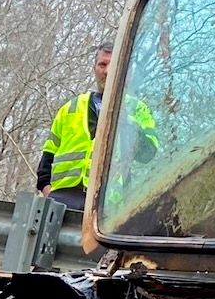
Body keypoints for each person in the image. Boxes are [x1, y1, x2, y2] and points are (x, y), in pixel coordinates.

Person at [37, 43, 154, 205]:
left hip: (107, 205)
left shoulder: (138, 110)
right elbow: (47, 158)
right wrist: (48, 192)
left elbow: (149, 154)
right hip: (63, 200)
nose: (107, 71)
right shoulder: (70, 108)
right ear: (94, 68)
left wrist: (127, 122)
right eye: (102, 64)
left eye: (114, 66)